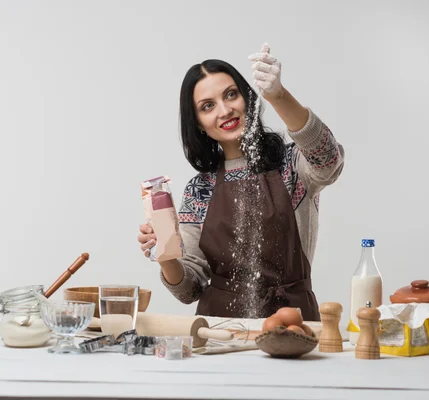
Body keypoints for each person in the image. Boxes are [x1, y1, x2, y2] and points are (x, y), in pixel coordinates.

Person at [138, 43, 344, 321]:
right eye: (208, 106)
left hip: (294, 325)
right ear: (198, 123)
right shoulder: (200, 190)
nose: (224, 111)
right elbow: (189, 289)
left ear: (247, 97)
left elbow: (328, 158)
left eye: (231, 95)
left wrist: (278, 96)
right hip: (221, 331)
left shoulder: (291, 164)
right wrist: (165, 256)